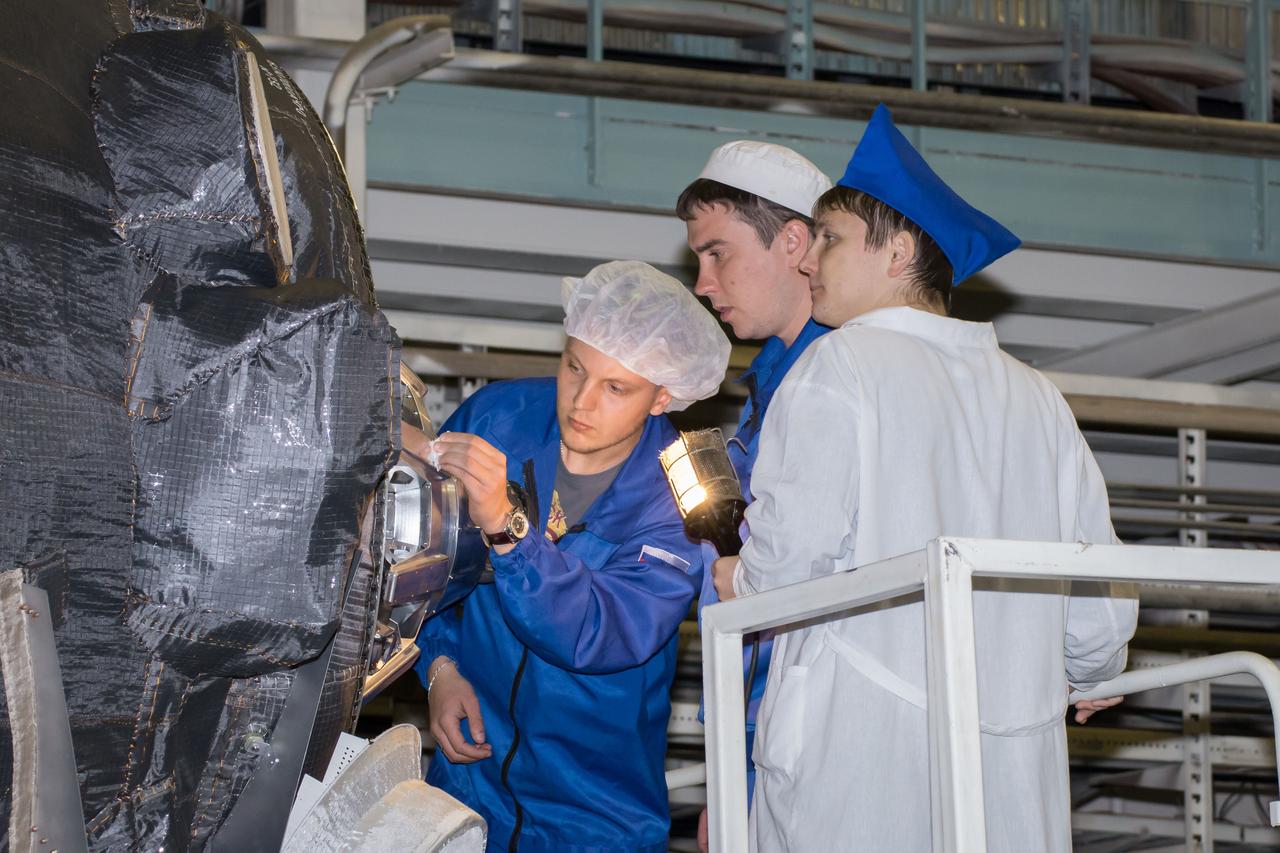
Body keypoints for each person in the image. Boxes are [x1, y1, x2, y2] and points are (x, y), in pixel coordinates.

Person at [710, 105, 1138, 852]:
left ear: (898, 251)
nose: (809, 262)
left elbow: (788, 562)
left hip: (857, 761)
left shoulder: (839, 364)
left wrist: (738, 581)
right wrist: (1093, 671)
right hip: (1010, 775)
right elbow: (1099, 612)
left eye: (830, 239)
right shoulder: (1037, 395)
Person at [416, 260, 731, 853]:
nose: (581, 402)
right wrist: (439, 667)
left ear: (663, 396)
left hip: (594, 807)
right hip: (468, 780)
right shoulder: (499, 417)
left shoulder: (683, 497)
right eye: (574, 367)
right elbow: (422, 564)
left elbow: (599, 631)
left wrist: (507, 529)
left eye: (616, 388)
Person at [675, 139, 831, 851]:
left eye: (718, 254)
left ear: (794, 242)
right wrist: (730, 771)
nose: (703, 283)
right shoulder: (771, 386)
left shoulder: (840, 381)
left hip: (820, 735)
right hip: (767, 731)